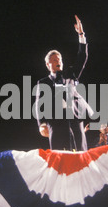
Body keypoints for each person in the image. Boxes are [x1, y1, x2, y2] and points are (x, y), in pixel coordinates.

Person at [35, 15, 93, 151]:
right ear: (48, 64)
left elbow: (82, 56)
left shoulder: (71, 74)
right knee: (60, 157)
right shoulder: (43, 82)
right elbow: (38, 105)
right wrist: (41, 124)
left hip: (75, 120)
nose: (58, 61)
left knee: (81, 155)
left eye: (60, 59)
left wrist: (81, 34)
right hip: (55, 124)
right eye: (54, 60)